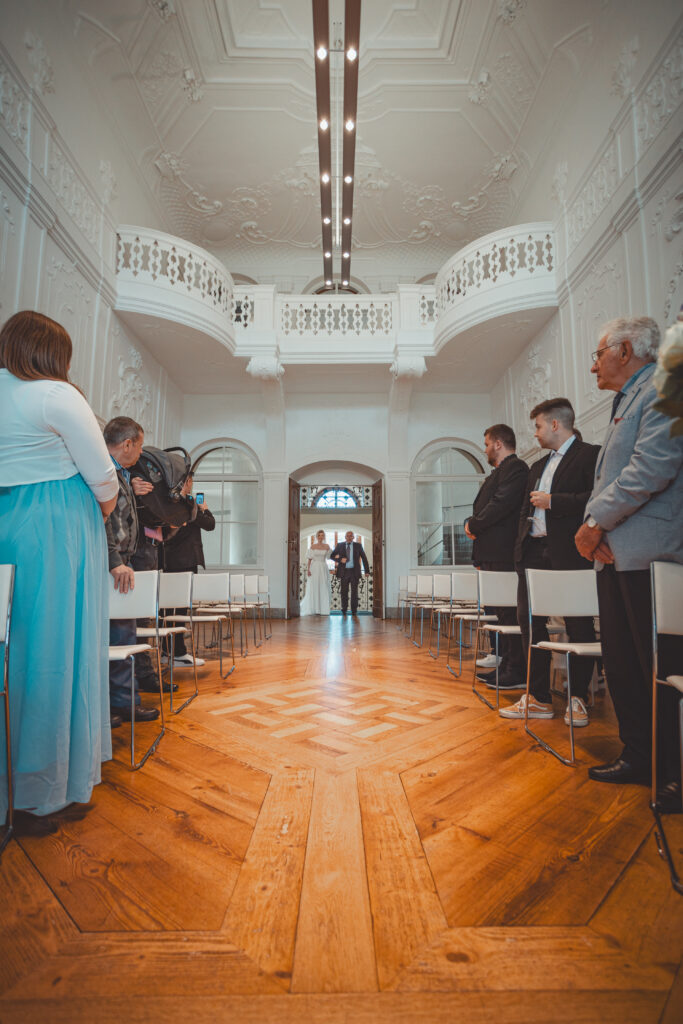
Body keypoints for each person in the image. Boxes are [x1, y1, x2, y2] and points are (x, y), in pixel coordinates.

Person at [0, 310, 118, 821]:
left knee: (13, 642)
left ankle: (12, 780)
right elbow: (104, 477)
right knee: (57, 643)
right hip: (56, 521)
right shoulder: (55, 394)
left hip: (8, 515)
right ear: (54, 355)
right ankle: (50, 782)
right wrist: (105, 507)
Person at [574, 317, 683, 804]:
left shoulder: (663, 386)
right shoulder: (627, 398)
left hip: (647, 555)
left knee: (657, 666)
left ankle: (673, 768)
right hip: (614, 555)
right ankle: (639, 755)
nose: (593, 364)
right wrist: (599, 530)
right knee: (621, 663)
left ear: (624, 350)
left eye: (598, 354)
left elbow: (653, 467)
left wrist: (595, 522)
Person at [499, 398, 600, 727]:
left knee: (579, 626)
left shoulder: (590, 455)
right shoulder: (537, 467)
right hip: (532, 554)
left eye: (539, 427)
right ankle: (539, 697)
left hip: (570, 553)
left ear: (556, 424)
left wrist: (554, 501)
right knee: (531, 625)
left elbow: (597, 499)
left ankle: (578, 697)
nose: (536, 434)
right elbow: (524, 513)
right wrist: (519, 548)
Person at [104, 417, 162, 722]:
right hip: (116, 567)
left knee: (119, 636)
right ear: (127, 444)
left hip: (119, 563)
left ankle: (119, 702)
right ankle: (123, 703)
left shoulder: (119, 474)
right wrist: (116, 560)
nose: (139, 453)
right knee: (121, 637)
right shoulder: (106, 472)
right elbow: (106, 520)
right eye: (139, 446)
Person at [464, 423, 527, 688]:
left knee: (510, 615)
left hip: (503, 552)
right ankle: (507, 665)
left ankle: (518, 670)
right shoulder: (498, 472)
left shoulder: (515, 468)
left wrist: (473, 524)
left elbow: (500, 505)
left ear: (498, 444)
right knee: (503, 614)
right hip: (492, 553)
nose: (486, 449)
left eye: (487, 444)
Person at [163, 475, 215, 664]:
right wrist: (205, 509)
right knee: (180, 609)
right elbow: (210, 524)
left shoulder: (167, 501)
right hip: (185, 560)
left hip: (169, 560)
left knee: (168, 609)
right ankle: (177, 653)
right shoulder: (188, 504)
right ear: (187, 482)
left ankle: (165, 652)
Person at [331, 531, 370, 616]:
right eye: (347, 536)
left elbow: (364, 558)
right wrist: (340, 559)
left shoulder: (358, 546)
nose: (349, 537)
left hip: (354, 572)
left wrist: (367, 571)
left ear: (353, 537)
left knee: (354, 592)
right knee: (344, 592)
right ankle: (344, 609)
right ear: (345, 537)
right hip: (344, 572)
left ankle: (354, 610)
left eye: (351, 536)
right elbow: (332, 556)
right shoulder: (340, 545)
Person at [300, 529, 332, 616]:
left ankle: (323, 609)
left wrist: (337, 556)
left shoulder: (327, 546)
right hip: (314, 568)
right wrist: (309, 569)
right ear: (317, 537)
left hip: (323, 567)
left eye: (322, 535)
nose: (321, 537)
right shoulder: (313, 546)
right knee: (314, 587)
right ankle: (313, 608)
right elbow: (309, 559)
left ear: (324, 536)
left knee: (323, 586)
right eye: (319, 535)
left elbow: (329, 557)